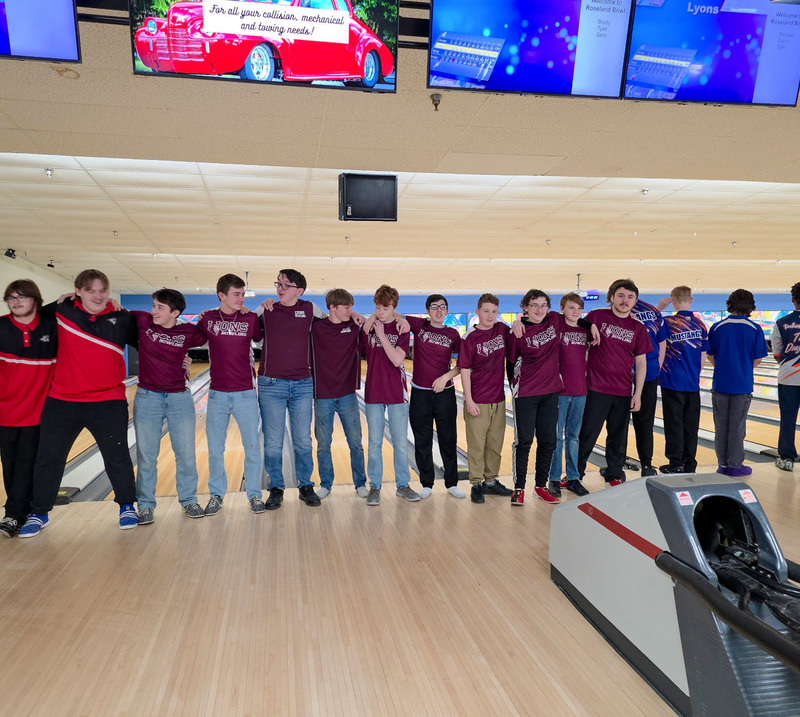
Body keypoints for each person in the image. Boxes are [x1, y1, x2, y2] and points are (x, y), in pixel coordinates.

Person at [20, 269, 139, 538]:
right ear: (78, 291)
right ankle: (39, 512)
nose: (98, 296)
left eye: (102, 290)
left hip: (108, 400)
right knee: (49, 459)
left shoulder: (121, 317)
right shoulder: (60, 310)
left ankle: (127, 506)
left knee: (117, 458)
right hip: (62, 400)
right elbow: (28, 319)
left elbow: (147, 344)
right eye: (90, 290)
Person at [130, 288, 207, 524]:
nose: (153, 311)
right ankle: (145, 506)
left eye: (160, 308)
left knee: (185, 454)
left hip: (178, 397)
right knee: (146, 455)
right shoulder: (142, 320)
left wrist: (206, 316)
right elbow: (113, 309)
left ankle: (188, 500)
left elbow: (207, 332)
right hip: (147, 396)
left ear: (175, 313)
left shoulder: (188, 331)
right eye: (154, 305)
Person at [574, 279, 652, 494]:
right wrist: (588, 325)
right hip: (596, 388)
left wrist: (638, 393)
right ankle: (574, 475)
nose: (625, 300)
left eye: (630, 297)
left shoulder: (638, 327)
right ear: (611, 297)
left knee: (618, 436)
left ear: (635, 301)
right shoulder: (597, 317)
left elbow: (641, 362)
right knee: (587, 434)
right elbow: (572, 323)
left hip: (623, 391)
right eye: (621, 295)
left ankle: (614, 474)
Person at [196, 273, 264, 515]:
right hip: (217, 394)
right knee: (215, 448)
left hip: (245, 392)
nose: (241, 298)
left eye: (243, 294)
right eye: (236, 294)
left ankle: (255, 495)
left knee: (252, 448)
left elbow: (264, 338)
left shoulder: (250, 319)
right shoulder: (207, 319)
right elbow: (188, 337)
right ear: (221, 296)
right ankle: (216, 495)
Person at [258, 269, 324, 510]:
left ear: (300, 290)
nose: (280, 288)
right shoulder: (266, 310)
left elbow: (333, 322)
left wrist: (360, 315)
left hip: (302, 384)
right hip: (270, 384)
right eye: (278, 283)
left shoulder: (309, 309)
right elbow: (243, 321)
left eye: (286, 284)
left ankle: (305, 486)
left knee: (303, 441)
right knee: (273, 443)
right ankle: (276, 487)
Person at [0, 280, 58, 538]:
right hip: (5, 411)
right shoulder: (1, 326)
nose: (16, 302)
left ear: (35, 299)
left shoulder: (50, 326)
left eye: (22, 296)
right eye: (11, 298)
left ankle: (16, 514)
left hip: (38, 412)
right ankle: (16, 514)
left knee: (28, 463)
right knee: (10, 464)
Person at [362, 284, 420, 505]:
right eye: (377, 308)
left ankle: (402, 486)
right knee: (375, 442)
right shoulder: (369, 325)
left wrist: (381, 333)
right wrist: (370, 319)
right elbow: (355, 316)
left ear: (394, 308)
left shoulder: (402, 329)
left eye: (385, 309)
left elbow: (397, 360)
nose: (381, 312)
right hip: (373, 392)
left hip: (397, 392)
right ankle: (374, 487)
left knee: (400, 443)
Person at [310, 287, 367, 499]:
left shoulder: (354, 326)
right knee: (323, 444)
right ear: (332, 308)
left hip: (347, 395)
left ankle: (360, 483)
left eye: (352, 307)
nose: (350, 311)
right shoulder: (316, 328)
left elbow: (375, 322)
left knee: (355, 443)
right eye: (346, 307)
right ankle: (326, 483)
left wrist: (361, 317)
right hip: (322, 395)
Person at [507, 290, 563, 506]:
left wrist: (591, 325)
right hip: (526, 393)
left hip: (550, 392)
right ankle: (518, 487)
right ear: (526, 307)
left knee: (549, 441)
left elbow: (580, 319)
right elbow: (511, 363)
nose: (539, 309)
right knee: (524, 441)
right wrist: (515, 387)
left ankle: (540, 486)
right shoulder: (517, 333)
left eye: (543, 305)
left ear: (548, 307)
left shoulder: (554, 321)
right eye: (534, 305)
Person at [457, 293, 513, 504]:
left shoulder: (501, 330)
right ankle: (476, 484)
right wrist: (468, 400)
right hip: (478, 400)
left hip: (498, 399)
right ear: (477, 312)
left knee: (495, 444)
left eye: (494, 311)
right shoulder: (469, 337)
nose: (490, 315)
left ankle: (491, 481)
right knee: (477, 445)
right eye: (486, 311)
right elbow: (464, 369)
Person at [406, 294, 463, 499]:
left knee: (448, 439)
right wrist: (366, 318)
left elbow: (462, 365)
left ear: (447, 311)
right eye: (435, 307)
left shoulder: (453, 334)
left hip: (445, 393)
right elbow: (391, 314)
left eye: (443, 307)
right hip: (420, 393)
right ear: (428, 310)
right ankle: (427, 483)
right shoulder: (419, 325)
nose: (439, 310)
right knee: (422, 440)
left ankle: (451, 483)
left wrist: (445, 378)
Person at [707, 289, 768, 477]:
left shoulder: (717, 327)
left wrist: (723, 367)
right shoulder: (754, 328)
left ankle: (722, 465)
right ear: (751, 306)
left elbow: (710, 355)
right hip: (742, 385)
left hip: (720, 385)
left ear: (730, 304)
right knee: (737, 426)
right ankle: (735, 466)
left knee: (721, 426)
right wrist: (742, 369)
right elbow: (757, 359)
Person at [658, 286, 708, 475]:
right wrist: (694, 373)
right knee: (690, 425)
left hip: (672, 382)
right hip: (692, 383)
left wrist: (658, 308)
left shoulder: (667, 322)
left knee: (674, 423)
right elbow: (703, 356)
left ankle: (675, 463)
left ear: (672, 301)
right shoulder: (700, 324)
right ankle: (689, 463)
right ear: (691, 300)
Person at [548, 292, 590, 498]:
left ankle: (573, 478)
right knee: (556, 437)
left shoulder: (585, 330)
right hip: (559, 391)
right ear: (563, 308)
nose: (575, 312)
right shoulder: (557, 326)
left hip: (580, 390)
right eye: (571, 307)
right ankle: (554, 478)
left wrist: (589, 324)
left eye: (579, 308)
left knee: (573, 437)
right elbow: (550, 314)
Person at [630, 296, 668, 476]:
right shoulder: (653, 311)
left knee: (618, 424)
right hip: (649, 373)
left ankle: (615, 468)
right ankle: (647, 466)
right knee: (645, 422)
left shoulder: (615, 313)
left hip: (625, 375)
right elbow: (662, 344)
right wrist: (657, 366)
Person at [771, 282, 800, 472]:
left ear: (793, 300)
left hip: (789, 376)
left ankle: (787, 458)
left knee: (788, 418)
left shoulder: (782, 322)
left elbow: (777, 353)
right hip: (789, 376)